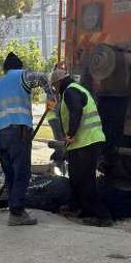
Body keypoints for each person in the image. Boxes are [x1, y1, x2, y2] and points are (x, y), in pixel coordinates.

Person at [0, 52, 50, 226]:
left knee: (10, 173)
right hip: (17, 131)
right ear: (19, 66)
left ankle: (13, 206)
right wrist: (52, 96)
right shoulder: (22, 75)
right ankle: (17, 213)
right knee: (22, 173)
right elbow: (42, 77)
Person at [50, 68, 111, 227]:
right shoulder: (76, 89)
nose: (55, 90)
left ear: (58, 83)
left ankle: (102, 216)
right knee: (77, 178)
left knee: (85, 180)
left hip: (86, 142)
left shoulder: (70, 92)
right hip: (84, 142)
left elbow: (76, 111)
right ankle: (76, 207)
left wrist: (70, 134)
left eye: (54, 86)